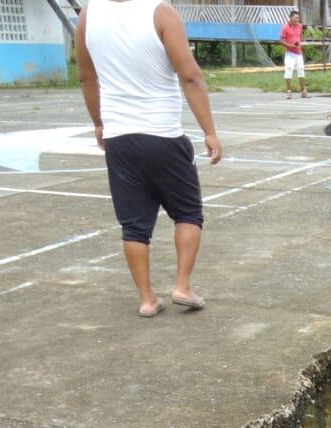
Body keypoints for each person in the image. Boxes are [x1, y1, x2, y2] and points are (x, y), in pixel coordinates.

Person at [75, 0, 221, 319]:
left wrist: (99, 122)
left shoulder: (88, 14)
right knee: (187, 212)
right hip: (163, 134)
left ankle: (147, 300)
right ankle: (182, 285)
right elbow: (191, 76)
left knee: (134, 225)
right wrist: (209, 131)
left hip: (119, 138)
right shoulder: (161, 12)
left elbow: (87, 78)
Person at [280, 10, 308, 100]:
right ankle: (289, 91)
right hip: (290, 53)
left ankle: (303, 91)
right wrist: (289, 45)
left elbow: (300, 36)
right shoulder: (285, 27)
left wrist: (299, 42)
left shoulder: (299, 26)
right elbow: (280, 40)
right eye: (296, 18)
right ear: (291, 17)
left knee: (301, 71)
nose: (297, 19)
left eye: (298, 18)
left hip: (298, 53)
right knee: (288, 72)